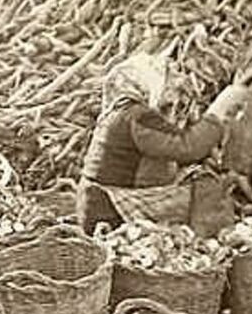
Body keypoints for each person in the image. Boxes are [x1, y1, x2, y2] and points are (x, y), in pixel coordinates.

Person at [78, 53, 228, 235]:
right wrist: (220, 109)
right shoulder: (138, 116)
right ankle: (210, 244)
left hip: (94, 204)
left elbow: (173, 146)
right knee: (207, 188)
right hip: (108, 208)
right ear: (149, 80)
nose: (176, 82)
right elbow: (188, 147)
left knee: (195, 178)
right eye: (167, 76)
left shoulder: (120, 112)